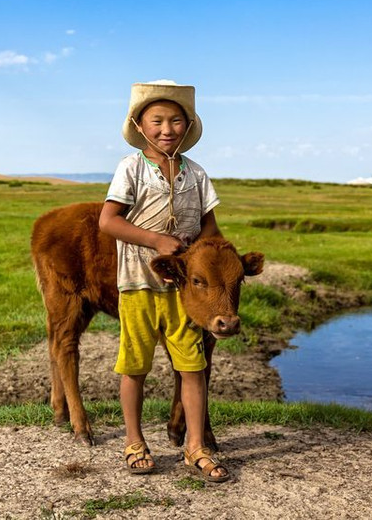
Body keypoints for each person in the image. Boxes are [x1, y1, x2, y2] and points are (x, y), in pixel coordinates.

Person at [98, 80, 230, 483]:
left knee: (193, 365)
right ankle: (134, 441)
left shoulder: (197, 173)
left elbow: (211, 230)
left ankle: (195, 446)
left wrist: (221, 266)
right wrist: (156, 239)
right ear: (139, 124)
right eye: (157, 120)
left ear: (188, 125)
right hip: (138, 284)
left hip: (183, 293)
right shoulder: (131, 168)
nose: (167, 129)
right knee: (134, 366)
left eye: (176, 120)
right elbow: (108, 221)